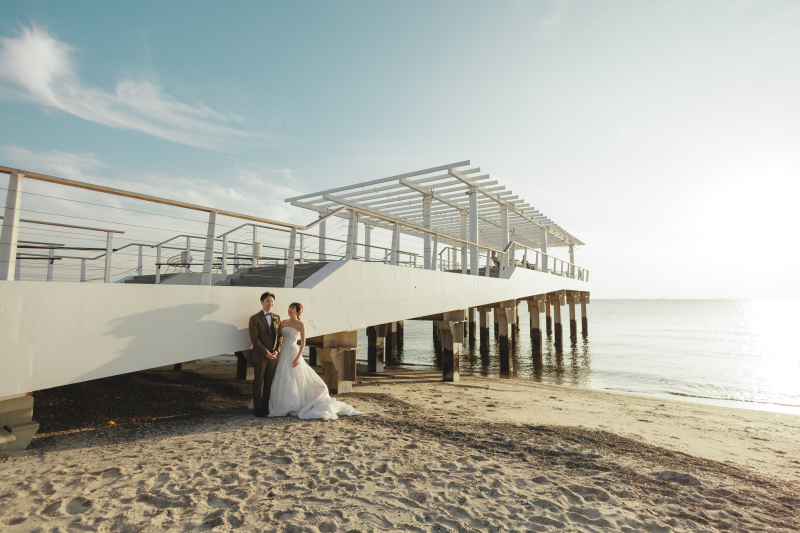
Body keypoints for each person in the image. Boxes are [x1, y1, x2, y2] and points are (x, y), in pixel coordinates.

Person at [269, 302, 362, 420]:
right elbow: (279, 338)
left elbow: (303, 343)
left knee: (293, 377)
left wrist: (298, 357)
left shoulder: (300, 324)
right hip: (283, 352)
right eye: (289, 308)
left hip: (293, 351)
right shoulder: (284, 322)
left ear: (298, 311)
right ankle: (280, 402)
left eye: (292, 308)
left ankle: (293, 403)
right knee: (281, 375)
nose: (289, 310)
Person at [248, 292, 283, 417]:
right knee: (258, 382)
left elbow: (280, 336)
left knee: (269, 383)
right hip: (260, 355)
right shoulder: (254, 318)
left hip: (273, 356)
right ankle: (258, 409)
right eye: (268, 301)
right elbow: (254, 338)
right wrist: (266, 353)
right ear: (262, 302)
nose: (270, 303)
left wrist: (277, 351)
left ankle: (266, 407)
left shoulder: (277, 317)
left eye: (272, 301)